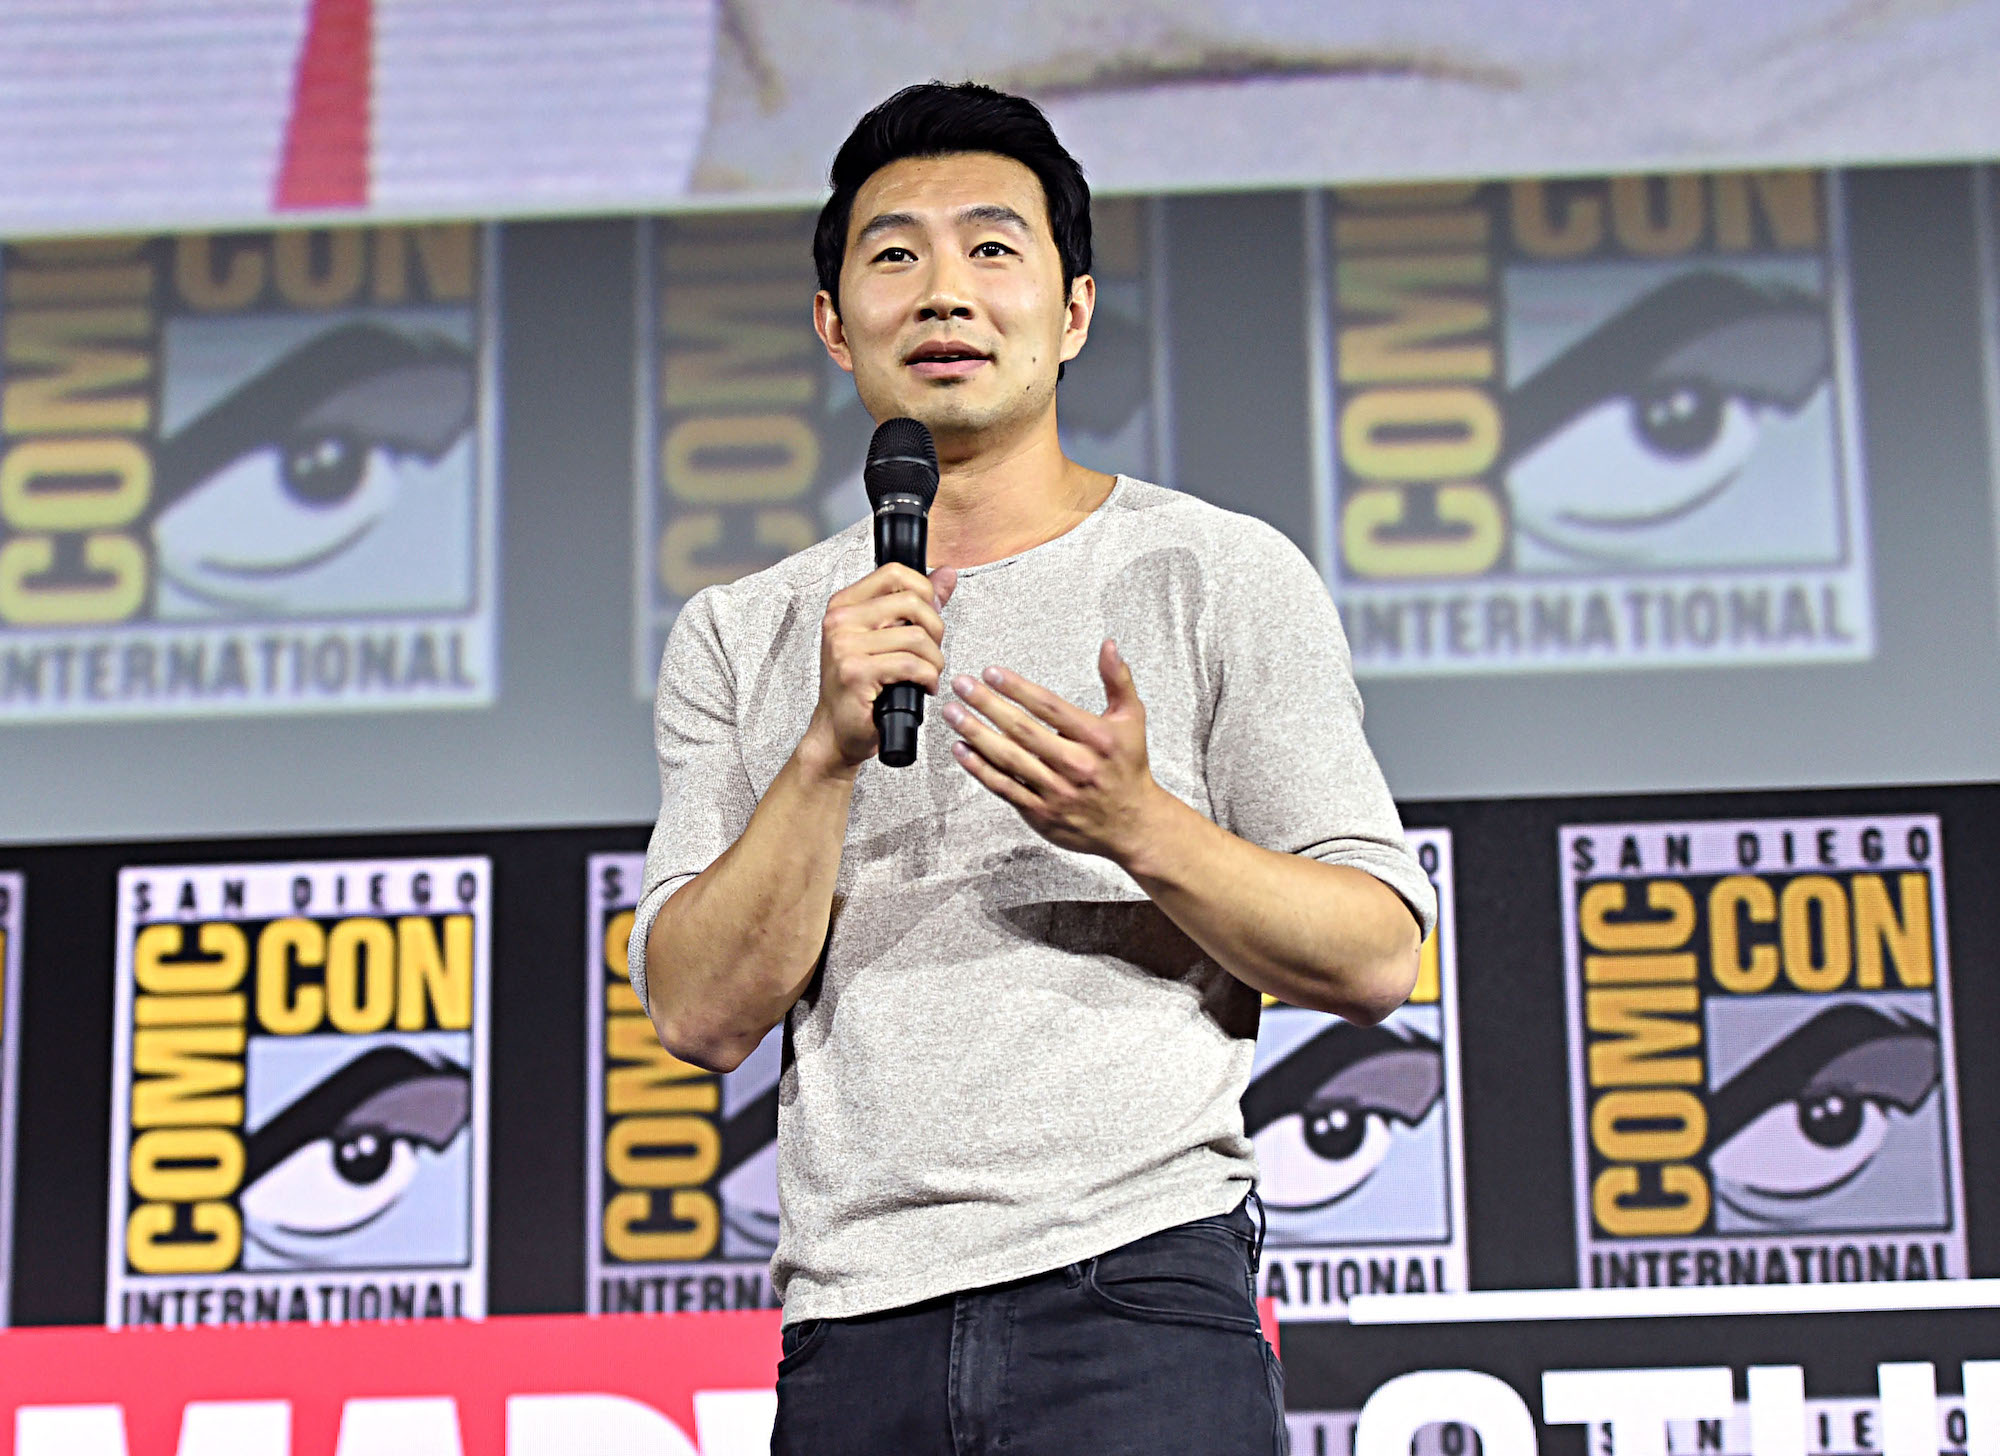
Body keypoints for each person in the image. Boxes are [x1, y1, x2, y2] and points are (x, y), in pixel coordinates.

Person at [629, 80, 1435, 1456]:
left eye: (992, 249)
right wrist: (825, 752)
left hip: (1135, 1298)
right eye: (894, 256)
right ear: (834, 324)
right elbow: (698, 1012)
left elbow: (1374, 958)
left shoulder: (1216, 573)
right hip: (851, 1329)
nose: (944, 291)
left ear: (1071, 312)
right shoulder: (745, 632)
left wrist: (1137, 824)